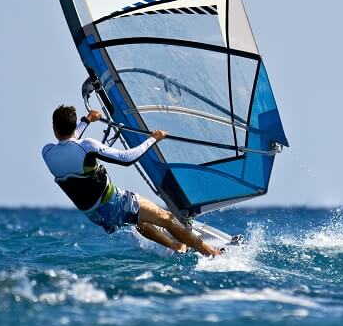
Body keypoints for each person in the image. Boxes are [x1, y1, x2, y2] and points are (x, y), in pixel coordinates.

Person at [42, 105, 221, 256]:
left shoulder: (48, 153)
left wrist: (86, 120)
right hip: (114, 203)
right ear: (72, 125)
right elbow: (126, 158)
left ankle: (176, 246)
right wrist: (153, 139)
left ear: (54, 129)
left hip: (97, 216)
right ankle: (212, 253)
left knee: (138, 220)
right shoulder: (87, 146)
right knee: (166, 218)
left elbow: (69, 143)